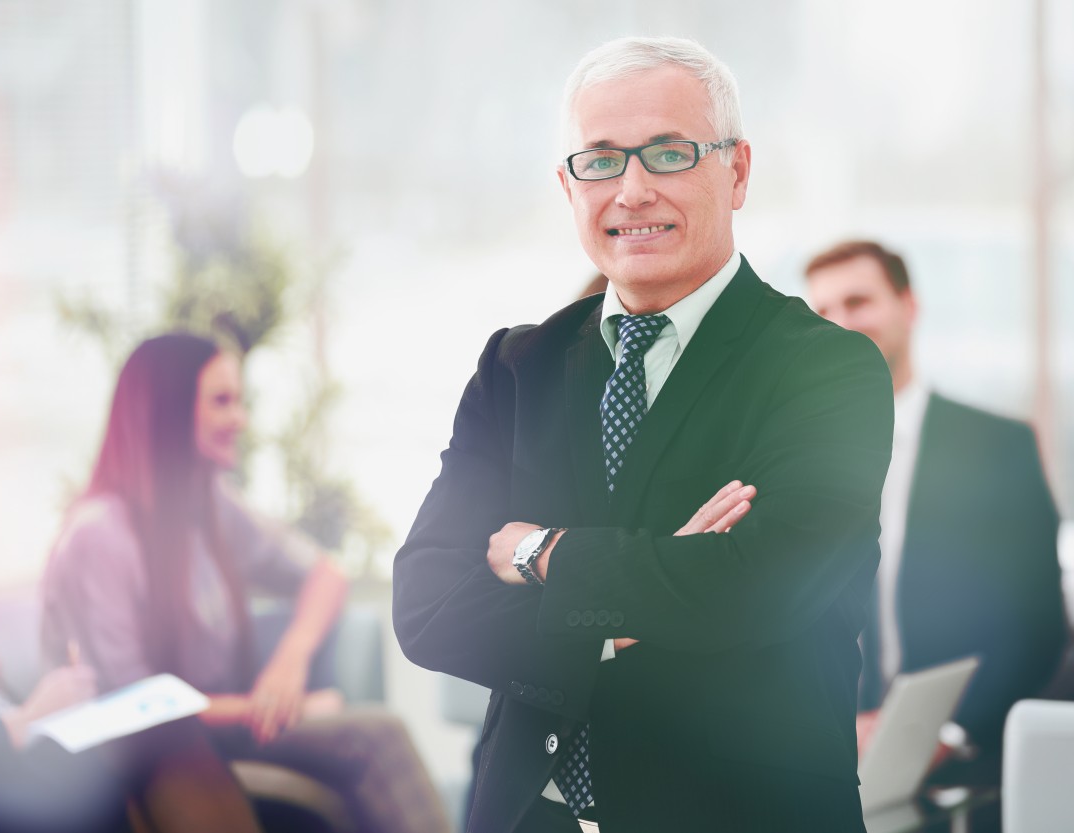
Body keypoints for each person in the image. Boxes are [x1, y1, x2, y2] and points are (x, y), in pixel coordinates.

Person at [393, 35, 894, 833]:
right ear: (567, 185)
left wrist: (542, 553)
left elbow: (760, 586)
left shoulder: (827, 369)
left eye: (668, 153)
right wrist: (626, 619)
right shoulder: (517, 365)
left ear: (736, 170)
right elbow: (426, 602)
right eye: (600, 160)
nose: (632, 190)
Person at [42, 332, 450, 833]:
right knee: (378, 735)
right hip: (155, 749)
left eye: (238, 401)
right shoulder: (100, 533)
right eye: (221, 402)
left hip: (222, 728)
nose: (241, 420)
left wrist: (288, 664)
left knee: (376, 738)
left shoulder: (209, 504)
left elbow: (325, 574)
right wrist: (265, 709)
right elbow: (130, 706)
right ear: (166, 412)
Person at [0, 348, 263, 833]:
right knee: (146, 760)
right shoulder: (102, 530)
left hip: (18, 735)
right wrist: (25, 721)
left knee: (155, 757)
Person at [805, 239, 1068, 831]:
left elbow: (1035, 622)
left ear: (909, 305)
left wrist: (943, 732)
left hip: (966, 775)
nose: (841, 323)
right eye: (822, 311)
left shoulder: (998, 446)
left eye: (858, 301)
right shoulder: (794, 460)